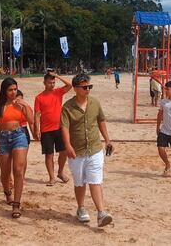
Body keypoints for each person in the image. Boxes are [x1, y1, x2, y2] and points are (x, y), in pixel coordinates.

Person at [61, 73, 114, 228]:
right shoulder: (67, 107)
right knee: (79, 182)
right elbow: (64, 128)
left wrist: (107, 140)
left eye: (89, 86)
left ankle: (101, 213)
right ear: (75, 88)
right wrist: (67, 145)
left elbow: (101, 121)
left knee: (95, 180)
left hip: (95, 149)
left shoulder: (95, 103)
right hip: (76, 151)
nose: (88, 89)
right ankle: (81, 208)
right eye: (84, 87)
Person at [0, 78, 35, 218]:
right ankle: (7, 192)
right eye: (10, 90)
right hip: (2, 137)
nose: (13, 92)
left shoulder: (20, 104)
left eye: (15, 89)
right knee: (5, 172)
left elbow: (31, 120)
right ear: (4, 91)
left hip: (19, 135)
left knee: (18, 170)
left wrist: (25, 105)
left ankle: (16, 204)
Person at [34, 71, 73, 186]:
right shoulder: (39, 97)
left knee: (64, 152)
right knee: (49, 154)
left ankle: (60, 172)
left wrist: (56, 76)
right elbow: (37, 114)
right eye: (49, 83)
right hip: (46, 130)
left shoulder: (58, 92)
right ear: (44, 83)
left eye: (53, 82)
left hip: (60, 128)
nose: (52, 85)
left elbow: (69, 85)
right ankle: (51, 177)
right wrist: (37, 129)